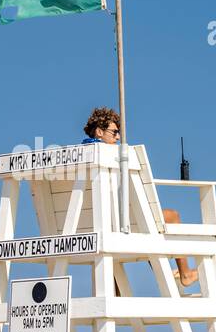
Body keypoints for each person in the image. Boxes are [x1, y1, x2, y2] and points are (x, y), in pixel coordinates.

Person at [81, 107, 199, 287]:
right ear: (99, 132)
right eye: (114, 132)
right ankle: (185, 274)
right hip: (120, 225)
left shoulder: (80, 157)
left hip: (90, 229)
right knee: (169, 217)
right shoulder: (112, 155)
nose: (118, 137)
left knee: (146, 227)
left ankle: (161, 274)